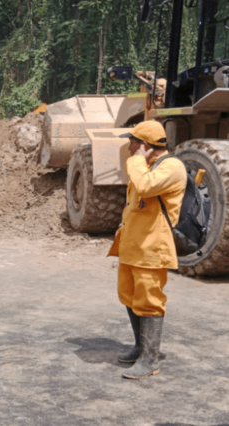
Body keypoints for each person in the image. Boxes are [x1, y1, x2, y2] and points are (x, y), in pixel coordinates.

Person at [108, 120, 186, 380]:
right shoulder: (146, 166)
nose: (128, 147)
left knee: (149, 301)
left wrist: (137, 161)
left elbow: (146, 187)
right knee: (129, 296)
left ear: (143, 145)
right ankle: (142, 347)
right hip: (133, 245)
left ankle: (150, 359)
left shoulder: (171, 166)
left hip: (152, 247)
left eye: (131, 142)